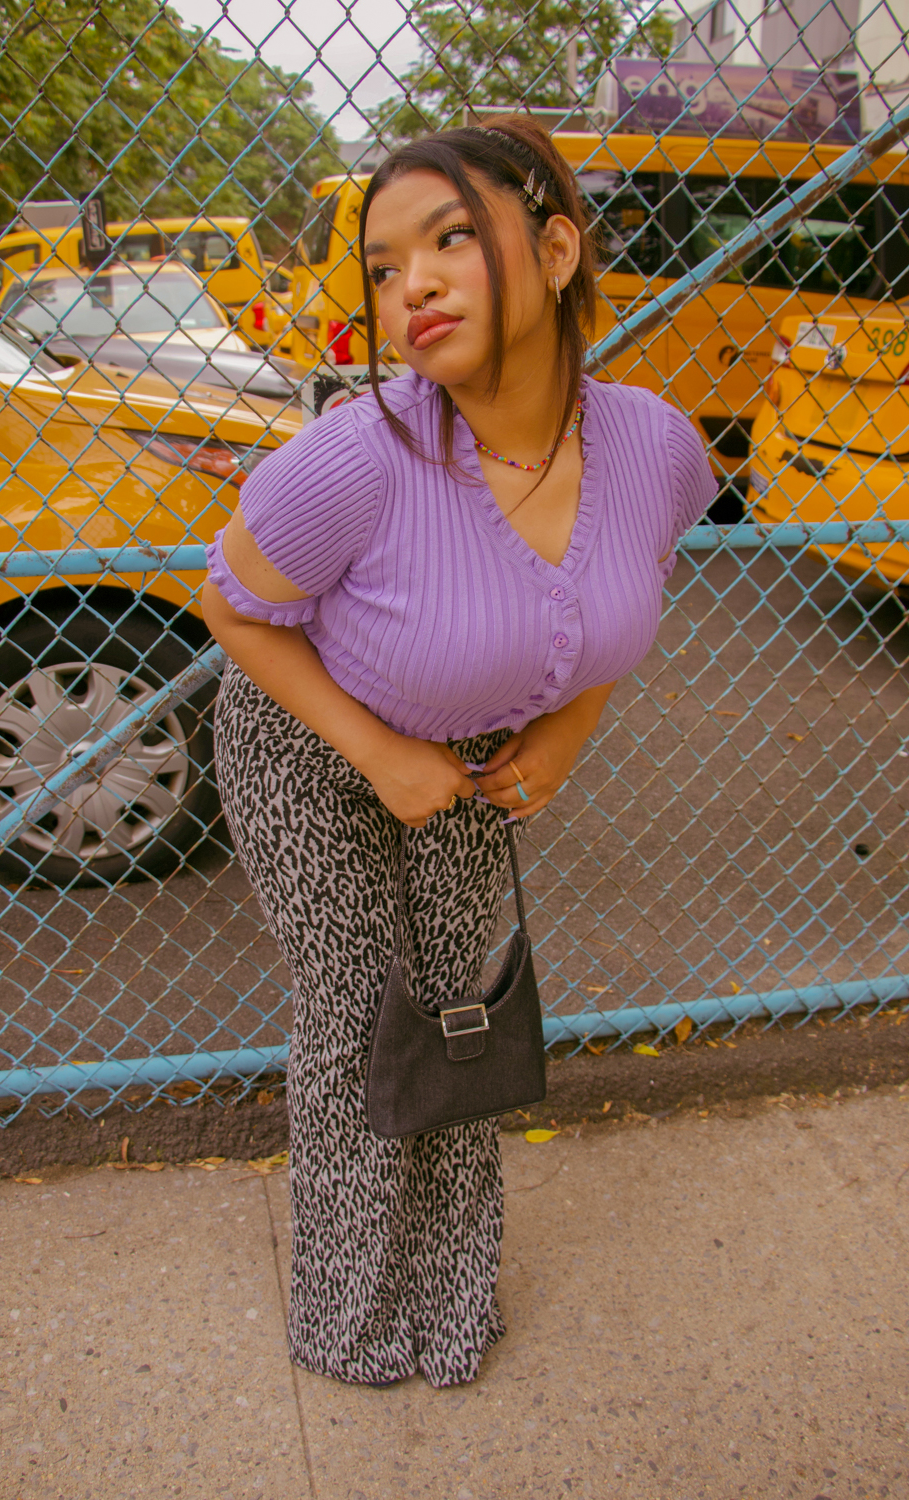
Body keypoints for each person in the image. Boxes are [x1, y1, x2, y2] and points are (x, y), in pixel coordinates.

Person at [202, 115, 715, 1388]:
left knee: (455, 1007)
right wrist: (379, 753)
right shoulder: (355, 459)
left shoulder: (652, 444)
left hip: (473, 756)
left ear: (555, 250)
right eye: (383, 268)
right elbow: (233, 609)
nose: (411, 287)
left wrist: (568, 732)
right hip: (307, 740)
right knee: (359, 1013)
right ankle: (348, 1313)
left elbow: (624, 595)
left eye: (448, 241)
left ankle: (449, 1298)